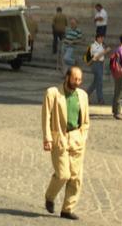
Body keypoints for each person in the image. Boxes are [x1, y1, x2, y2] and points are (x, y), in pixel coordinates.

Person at [42, 65, 89, 221]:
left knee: (76, 177)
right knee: (63, 174)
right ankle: (50, 196)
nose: (78, 82)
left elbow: (86, 121)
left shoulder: (82, 95)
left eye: (80, 79)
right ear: (67, 77)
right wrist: (47, 138)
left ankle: (67, 209)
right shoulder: (53, 94)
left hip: (77, 138)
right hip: (60, 138)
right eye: (75, 79)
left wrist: (83, 136)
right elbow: (46, 117)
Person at [86, 33, 110, 105]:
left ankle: (86, 94)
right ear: (97, 38)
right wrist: (105, 51)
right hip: (96, 64)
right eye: (101, 38)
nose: (102, 39)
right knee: (99, 82)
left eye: (103, 38)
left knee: (96, 82)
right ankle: (100, 99)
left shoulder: (102, 45)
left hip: (101, 64)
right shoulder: (93, 46)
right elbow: (95, 57)